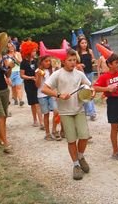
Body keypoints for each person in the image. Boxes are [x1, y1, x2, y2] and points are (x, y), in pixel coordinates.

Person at [41, 49, 92, 180]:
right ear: (63, 61)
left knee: (84, 136)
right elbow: (44, 88)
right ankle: (76, 165)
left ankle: (80, 156)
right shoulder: (57, 74)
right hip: (65, 112)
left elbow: (89, 87)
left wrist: (90, 93)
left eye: (74, 60)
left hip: (79, 110)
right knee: (71, 140)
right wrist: (59, 95)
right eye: (70, 60)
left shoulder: (80, 74)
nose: (73, 62)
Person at [35, 55, 61, 141]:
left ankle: (54, 130)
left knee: (56, 110)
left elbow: (55, 82)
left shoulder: (51, 70)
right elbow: (38, 85)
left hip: (51, 94)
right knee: (46, 114)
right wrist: (39, 76)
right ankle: (47, 133)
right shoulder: (38, 71)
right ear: (41, 62)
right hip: (42, 95)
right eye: (46, 61)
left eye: (49, 61)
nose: (48, 63)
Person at [20, 40, 44, 129]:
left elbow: (40, 70)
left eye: (35, 50)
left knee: (37, 103)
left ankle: (41, 122)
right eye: (33, 51)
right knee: (33, 103)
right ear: (28, 51)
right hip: (29, 85)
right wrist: (31, 78)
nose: (35, 52)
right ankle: (35, 120)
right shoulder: (23, 63)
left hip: (37, 83)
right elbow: (21, 75)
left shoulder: (36, 61)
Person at [76, 37, 97, 121]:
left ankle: (91, 112)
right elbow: (76, 63)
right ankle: (89, 112)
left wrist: (93, 61)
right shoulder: (77, 53)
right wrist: (80, 64)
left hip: (90, 73)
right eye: (82, 43)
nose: (84, 44)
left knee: (89, 91)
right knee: (84, 91)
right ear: (79, 44)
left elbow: (93, 60)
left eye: (85, 43)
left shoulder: (90, 51)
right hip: (81, 74)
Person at [6, 42, 24, 106]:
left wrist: (15, 57)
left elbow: (20, 62)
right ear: (7, 48)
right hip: (10, 72)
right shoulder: (6, 55)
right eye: (9, 47)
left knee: (18, 86)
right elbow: (6, 65)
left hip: (18, 72)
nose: (11, 48)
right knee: (13, 87)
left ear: (14, 47)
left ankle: (20, 100)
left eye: (12, 46)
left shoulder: (18, 53)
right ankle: (15, 99)